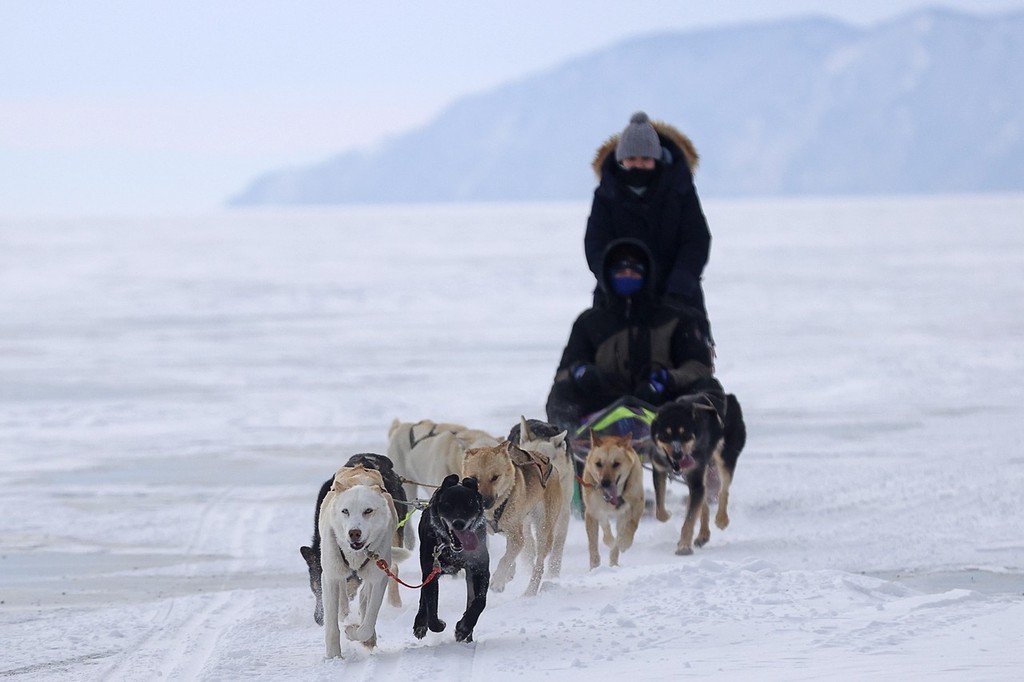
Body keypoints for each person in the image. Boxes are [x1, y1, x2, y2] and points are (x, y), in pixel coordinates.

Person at [545, 237, 715, 435]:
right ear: (608, 275)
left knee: (708, 390)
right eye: (621, 270)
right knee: (561, 394)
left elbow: (699, 367)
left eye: (634, 270)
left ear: (647, 275)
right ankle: (571, 448)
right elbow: (565, 370)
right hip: (604, 411)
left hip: (663, 410)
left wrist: (666, 380)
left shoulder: (676, 318)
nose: (628, 275)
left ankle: (697, 451)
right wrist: (582, 372)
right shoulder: (589, 322)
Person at [584, 111, 713, 343]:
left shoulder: (680, 190)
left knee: (688, 367)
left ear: (657, 159)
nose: (638, 165)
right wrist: (614, 282)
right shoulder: (606, 194)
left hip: (679, 298)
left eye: (645, 159)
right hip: (617, 297)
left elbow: (696, 240)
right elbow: (595, 243)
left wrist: (679, 286)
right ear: (621, 159)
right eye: (632, 159)